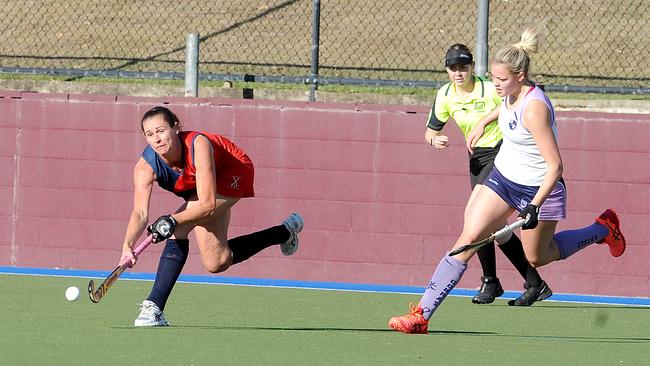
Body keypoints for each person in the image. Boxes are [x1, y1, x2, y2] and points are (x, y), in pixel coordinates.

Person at [388, 22, 626, 334]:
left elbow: (555, 166)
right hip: (504, 179)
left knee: (539, 257)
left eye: (501, 80)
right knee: (469, 237)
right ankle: (421, 315)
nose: (495, 84)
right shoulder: (509, 94)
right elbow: (502, 106)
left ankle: (601, 229)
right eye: (494, 78)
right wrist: (482, 122)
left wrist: (534, 207)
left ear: (520, 77)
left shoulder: (534, 109)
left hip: (540, 188)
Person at [120, 106, 304, 327]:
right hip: (202, 188)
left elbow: (207, 204)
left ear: (176, 127)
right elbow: (140, 212)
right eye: (149, 135)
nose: (156, 139)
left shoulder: (198, 145)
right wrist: (127, 246)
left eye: (161, 130)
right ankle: (283, 232)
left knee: (179, 227)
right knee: (217, 261)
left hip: (234, 171)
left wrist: (172, 220)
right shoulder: (145, 167)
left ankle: (154, 307)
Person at [426, 43, 551, 306]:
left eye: (463, 67)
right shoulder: (445, 95)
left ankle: (492, 280)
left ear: (473, 67)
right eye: (453, 68)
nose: (458, 73)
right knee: (490, 225)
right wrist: (433, 140)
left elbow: (513, 102)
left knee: (476, 221)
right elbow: (431, 130)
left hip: (501, 155)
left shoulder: (489, 86)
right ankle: (530, 281)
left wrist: (485, 122)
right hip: (476, 159)